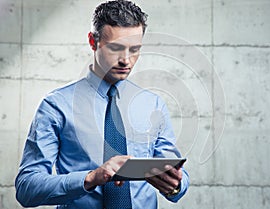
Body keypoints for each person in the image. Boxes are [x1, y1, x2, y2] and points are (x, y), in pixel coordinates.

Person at [15, 0, 189, 208]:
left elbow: (177, 178)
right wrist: (91, 178)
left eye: (134, 49)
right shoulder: (56, 106)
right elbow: (27, 188)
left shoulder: (153, 105)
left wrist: (175, 184)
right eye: (116, 48)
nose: (126, 60)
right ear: (93, 41)